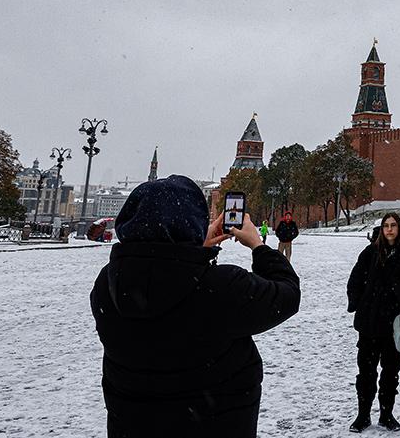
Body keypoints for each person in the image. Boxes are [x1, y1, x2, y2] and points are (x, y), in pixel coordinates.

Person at [89, 175, 301, 438]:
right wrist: (257, 245)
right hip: (215, 425)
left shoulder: (108, 285)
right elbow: (287, 294)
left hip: (132, 426)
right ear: (192, 221)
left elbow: (160, 276)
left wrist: (193, 248)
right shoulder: (220, 288)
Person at [346, 213, 400, 433]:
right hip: (369, 323)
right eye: (386, 226)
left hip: (394, 323)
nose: (389, 230)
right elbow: (355, 280)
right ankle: (363, 414)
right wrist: (359, 303)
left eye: (393, 225)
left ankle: (386, 414)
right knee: (366, 372)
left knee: (390, 373)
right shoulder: (370, 253)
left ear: (399, 227)